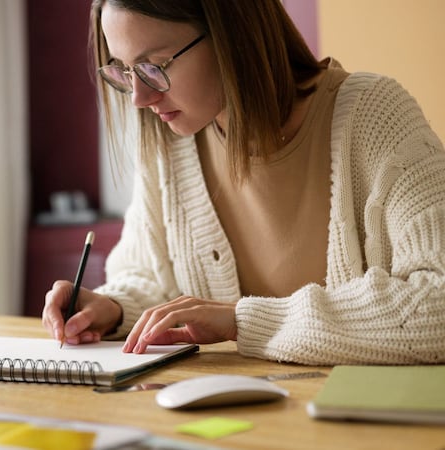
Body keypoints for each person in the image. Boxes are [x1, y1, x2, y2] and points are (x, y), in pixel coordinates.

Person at [42, 0, 445, 365]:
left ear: (233, 35)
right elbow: (150, 276)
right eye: (125, 71)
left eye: (155, 67)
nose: (139, 98)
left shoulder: (375, 116)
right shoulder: (171, 142)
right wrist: (113, 305)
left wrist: (242, 321)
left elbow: (437, 305)